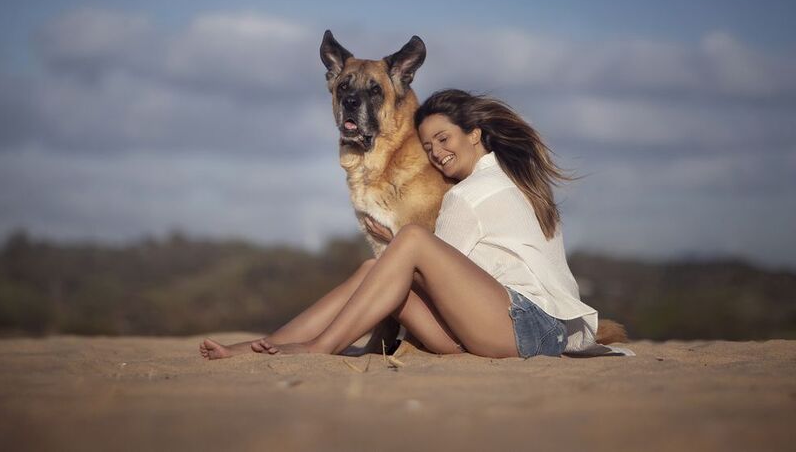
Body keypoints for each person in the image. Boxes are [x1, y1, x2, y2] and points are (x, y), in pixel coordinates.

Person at [201, 89, 610, 360]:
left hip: (527, 329)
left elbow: (434, 264)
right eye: (428, 147)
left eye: (444, 139)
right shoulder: (510, 180)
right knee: (375, 268)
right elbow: (451, 276)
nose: (436, 154)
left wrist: (401, 244)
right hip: (507, 332)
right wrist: (397, 253)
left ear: (475, 134)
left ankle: (318, 346)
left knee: (410, 241)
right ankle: (262, 347)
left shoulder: (473, 192)